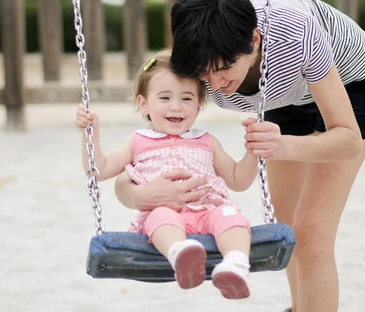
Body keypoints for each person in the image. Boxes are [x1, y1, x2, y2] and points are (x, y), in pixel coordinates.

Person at [115, 0, 365, 312]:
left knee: (313, 232)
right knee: (287, 226)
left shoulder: (297, 32)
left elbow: (347, 141)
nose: (216, 84)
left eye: (225, 69)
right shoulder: (194, 61)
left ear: (254, 40)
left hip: (351, 83)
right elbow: (151, 149)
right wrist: (133, 193)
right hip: (282, 94)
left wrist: (283, 146)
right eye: (205, 74)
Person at [75, 49, 259, 300]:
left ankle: (235, 264)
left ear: (198, 105)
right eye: (164, 97)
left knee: (230, 215)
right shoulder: (138, 141)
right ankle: (180, 254)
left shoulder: (206, 140)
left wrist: (253, 151)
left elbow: (238, 180)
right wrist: (90, 135)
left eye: (186, 98)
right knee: (160, 217)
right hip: (166, 215)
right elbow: (100, 169)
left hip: (209, 211)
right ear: (143, 104)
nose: (176, 106)